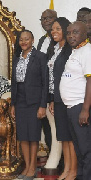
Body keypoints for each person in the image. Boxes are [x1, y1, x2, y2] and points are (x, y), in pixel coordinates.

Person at [11, 30, 48, 179]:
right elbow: (14, 83)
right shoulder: (17, 58)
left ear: (32, 40)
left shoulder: (40, 57)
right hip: (20, 102)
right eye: (21, 40)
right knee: (23, 136)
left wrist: (42, 105)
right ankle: (27, 167)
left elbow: (45, 83)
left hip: (34, 102)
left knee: (33, 136)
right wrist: (13, 104)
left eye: (27, 39)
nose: (24, 42)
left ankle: (33, 168)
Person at [60, 21, 91, 180]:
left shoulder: (87, 51)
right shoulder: (76, 51)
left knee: (86, 149)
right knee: (79, 149)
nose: (71, 36)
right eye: (69, 32)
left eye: (76, 32)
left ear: (85, 33)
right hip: (71, 107)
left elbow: (90, 81)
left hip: (80, 107)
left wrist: (85, 110)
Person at [47, 18, 77, 180]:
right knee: (63, 136)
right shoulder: (54, 49)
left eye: (58, 28)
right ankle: (66, 169)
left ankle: (73, 170)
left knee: (71, 137)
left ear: (65, 30)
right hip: (57, 99)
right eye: (52, 29)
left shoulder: (69, 50)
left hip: (67, 98)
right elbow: (52, 79)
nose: (54, 32)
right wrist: (51, 99)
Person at [37, 9, 57, 152]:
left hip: (55, 90)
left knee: (59, 129)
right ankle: (52, 155)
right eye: (43, 19)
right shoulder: (42, 40)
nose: (45, 21)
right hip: (43, 90)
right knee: (46, 126)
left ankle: (62, 161)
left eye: (49, 18)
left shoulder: (61, 40)